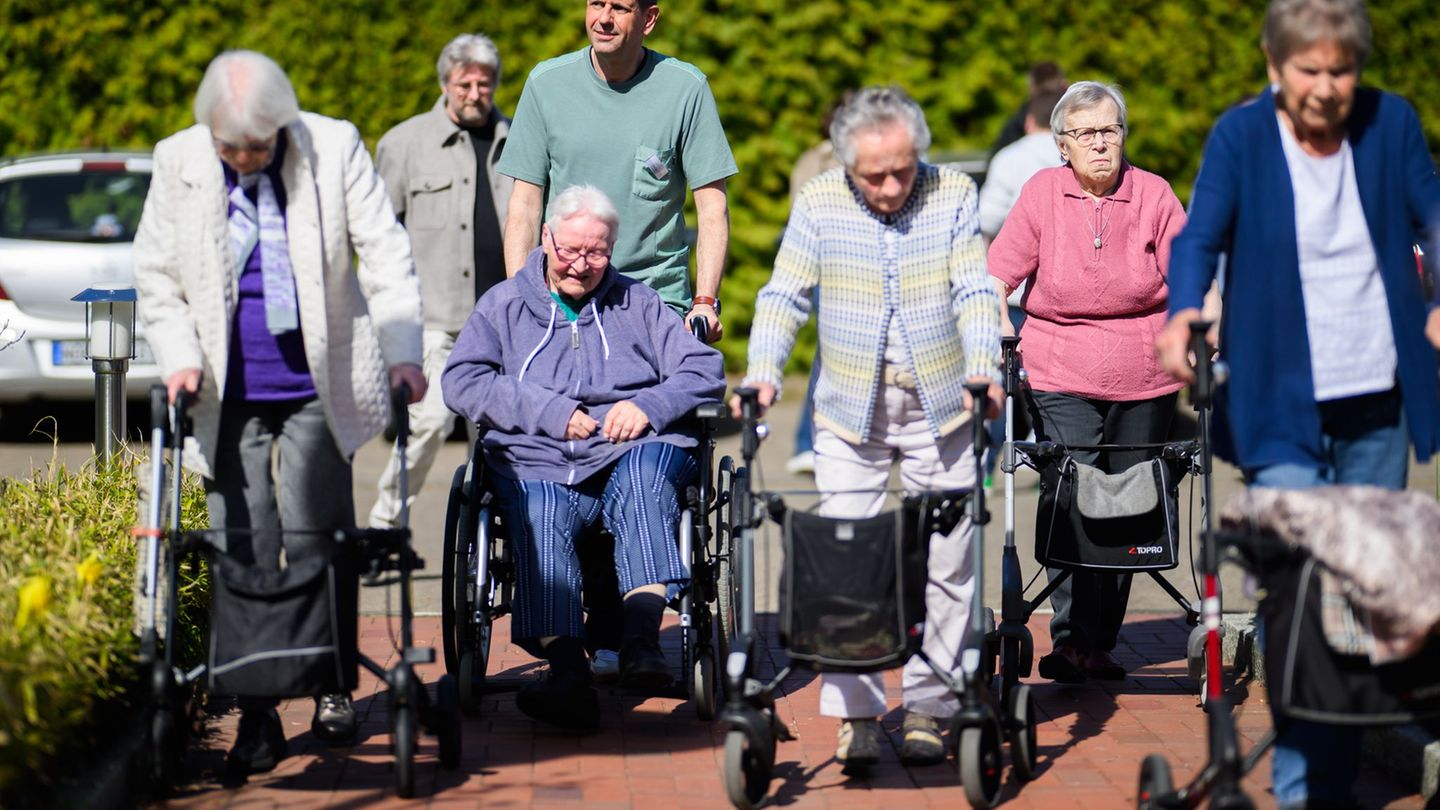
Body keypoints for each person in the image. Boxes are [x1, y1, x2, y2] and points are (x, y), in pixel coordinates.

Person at [1156, 1, 1440, 804]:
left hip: (1377, 395)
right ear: (1275, 66)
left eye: (1341, 71)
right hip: (1277, 396)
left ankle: (1335, 780)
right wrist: (1184, 311)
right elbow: (1199, 237)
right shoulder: (1242, 136)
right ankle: (1297, 786)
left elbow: (1433, 210)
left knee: (1366, 593)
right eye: (1309, 71)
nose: (1326, 88)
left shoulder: (1392, 123)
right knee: (1296, 594)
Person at [131, 50, 425, 774]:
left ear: (284, 126)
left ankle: (331, 686)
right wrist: (178, 356)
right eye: (230, 148)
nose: (243, 160)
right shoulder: (181, 159)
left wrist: (402, 350)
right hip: (222, 392)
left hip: (315, 385)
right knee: (245, 547)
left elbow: (383, 253)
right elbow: (157, 275)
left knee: (318, 535)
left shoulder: (332, 145)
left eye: (257, 148)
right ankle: (257, 712)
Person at [735, 86, 1001, 772]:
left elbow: (975, 289)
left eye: (902, 171)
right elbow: (783, 293)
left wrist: (985, 366)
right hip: (849, 410)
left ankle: (929, 707)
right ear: (846, 162)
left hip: (942, 406)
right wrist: (763, 370)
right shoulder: (821, 198)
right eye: (874, 175)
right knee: (847, 561)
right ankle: (856, 714)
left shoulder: (952, 194)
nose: (889, 186)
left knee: (948, 563)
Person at [442, 185, 725, 730]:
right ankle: (569, 674)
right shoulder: (504, 305)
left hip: (632, 450)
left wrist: (648, 404)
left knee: (647, 480)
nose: (581, 264)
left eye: (596, 252)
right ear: (545, 238)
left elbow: (704, 370)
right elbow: (462, 380)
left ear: (612, 249)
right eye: (570, 249)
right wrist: (547, 410)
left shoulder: (638, 303)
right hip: (539, 455)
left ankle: (642, 643)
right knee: (538, 511)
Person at [988, 81, 1188, 684]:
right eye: (1087, 134)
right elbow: (998, 273)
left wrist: (1203, 324)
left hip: (1145, 369)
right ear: (1062, 146)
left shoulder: (1152, 193)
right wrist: (997, 318)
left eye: (1111, 130)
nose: (1101, 144)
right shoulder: (1042, 193)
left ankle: (1098, 642)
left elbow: (1193, 272)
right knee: (1073, 491)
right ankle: (1071, 637)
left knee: (1129, 501)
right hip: (1059, 366)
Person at [497, 0, 736, 341]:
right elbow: (524, 206)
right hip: (564, 299)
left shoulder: (685, 89)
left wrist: (705, 302)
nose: (604, 19)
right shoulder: (546, 85)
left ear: (648, 19)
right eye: (596, 4)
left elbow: (712, 209)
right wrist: (521, 299)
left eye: (620, 8)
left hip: (654, 303)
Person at [367, 33, 515, 530]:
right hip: (435, 319)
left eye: (484, 83)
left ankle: (499, 535)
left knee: (499, 435)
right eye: (465, 83)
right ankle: (386, 528)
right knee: (428, 423)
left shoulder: (517, 141)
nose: (475, 92)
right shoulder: (404, 144)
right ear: (445, 84)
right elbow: (377, 236)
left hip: (503, 322)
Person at [785, 96, 848, 477]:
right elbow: (801, 220)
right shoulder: (814, 161)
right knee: (830, 356)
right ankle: (807, 443)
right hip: (828, 271)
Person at [989, 62, 1068, 156]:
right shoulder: (1077, 114)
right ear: (1064, 85)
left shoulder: (1016, 125)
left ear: (1030, 89)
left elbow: (996, 160)